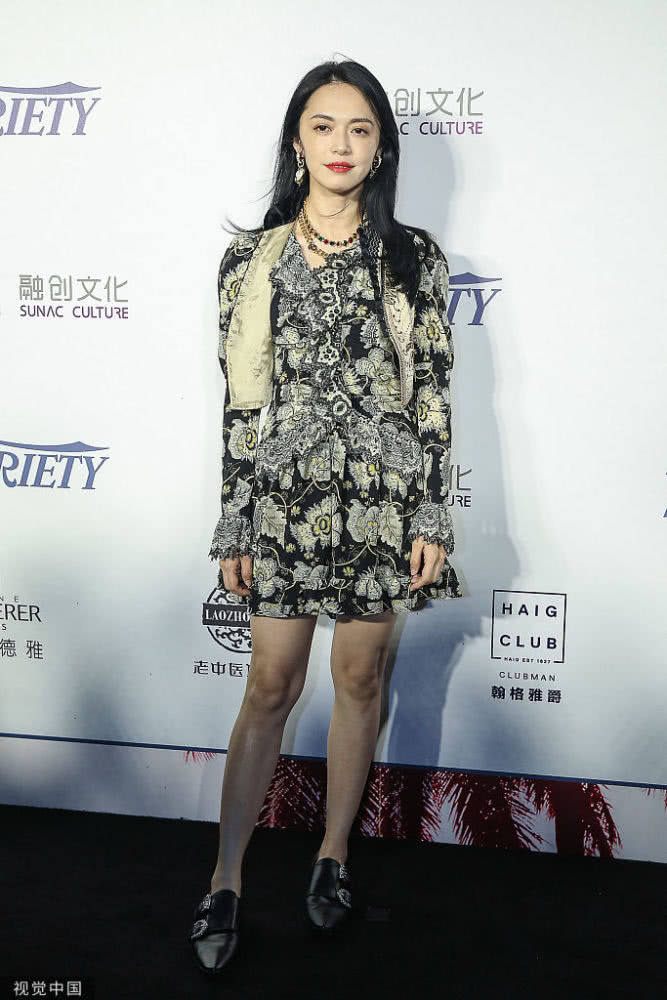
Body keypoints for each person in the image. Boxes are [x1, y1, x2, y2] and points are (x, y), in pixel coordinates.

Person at [188, 58, 463, 975]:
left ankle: (332, 855)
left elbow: (433, 399)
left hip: (383, 498)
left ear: (380, 147)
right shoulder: (251, 258)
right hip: (284, 497)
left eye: (359, 128)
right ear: (296, 142)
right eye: (322, 125)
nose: (340, 144)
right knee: (270, 683)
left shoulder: (413, 258)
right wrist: (236, 518)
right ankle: (225, 877)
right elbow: (240, 402)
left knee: (358, 676)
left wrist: (430, 511)